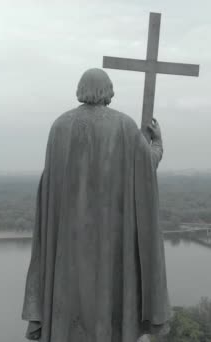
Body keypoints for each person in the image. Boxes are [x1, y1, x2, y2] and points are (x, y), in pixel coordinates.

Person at [22, 68, 169, 342]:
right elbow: (146, 167)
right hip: (112, 240)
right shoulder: (124, 126)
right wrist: (158, 143)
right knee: (110, 294)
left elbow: (49, 188)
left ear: (81, 90)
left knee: (71, 297)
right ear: (108, 92)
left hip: (68, 241)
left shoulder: (59, 127)